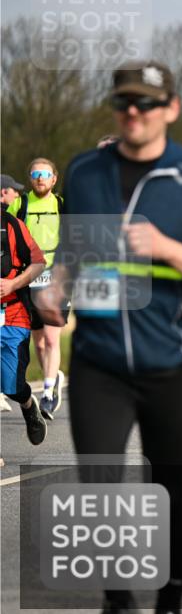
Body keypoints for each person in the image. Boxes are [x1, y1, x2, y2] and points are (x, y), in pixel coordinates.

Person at [35, 61, 182, 614]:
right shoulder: (84, 173)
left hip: (174, 363)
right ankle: (118, 601)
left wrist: (167, 249)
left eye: (147, 103)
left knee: (166, 488)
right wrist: (56, 285)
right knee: (99, 485)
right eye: (126, 102)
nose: (135, 112)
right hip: (100, 362)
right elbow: (74, 253)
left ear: (170, 109)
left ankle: (169, 606)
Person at [7, 158, 68, 419]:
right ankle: (52, 380)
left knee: (53, 338)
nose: (40, 178)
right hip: (29, 277)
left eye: (45, 174)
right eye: (35, 174)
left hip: (56, 276)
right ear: (30, 178)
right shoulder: (21, 204)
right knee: (40, 343)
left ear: (54, 179)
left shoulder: (62, 205)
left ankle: (47, 393)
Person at [1, 174, 47, 447]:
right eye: (14, 192)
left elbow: (38, 263)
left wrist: (13, 284)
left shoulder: (15, 226)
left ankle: (30, 407)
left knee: (12, 386)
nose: (18, 196)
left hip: (14, 315)